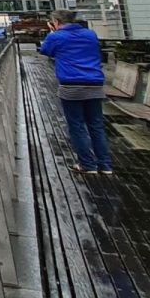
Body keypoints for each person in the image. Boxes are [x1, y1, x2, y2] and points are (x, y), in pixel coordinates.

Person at [38, 11, 114, 175]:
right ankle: (105, 165)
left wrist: (52, 32)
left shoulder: (56, 37)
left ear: (56, 22)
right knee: (96, 126)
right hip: (95, 84)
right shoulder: (90, 34)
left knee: (77, 126)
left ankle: (87, 164)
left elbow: (45, 51)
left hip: (71, 86)